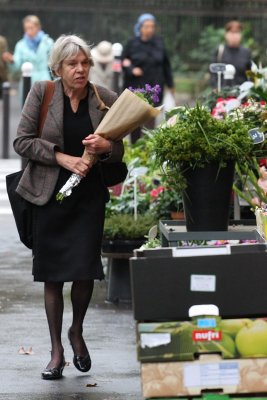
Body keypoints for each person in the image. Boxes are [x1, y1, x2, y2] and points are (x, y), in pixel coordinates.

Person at [13, 34, 124, 380]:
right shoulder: (42, 94)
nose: (80, 69)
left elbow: (120, 150)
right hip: (49, 197)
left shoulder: (103, 98)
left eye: (85, 63)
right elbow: (22, 141)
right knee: (52, 274)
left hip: (88, 198)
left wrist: (106, 146)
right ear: (57, 67)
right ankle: (56, 350)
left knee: (84, 270)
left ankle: (76, 330)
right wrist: (61, 157)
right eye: (73, 64)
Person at [121, 13, 174, 142]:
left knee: (151, 117)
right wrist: (132, 69)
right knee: (135, 118)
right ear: (140, 27)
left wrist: (171, 84)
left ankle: (147, 147)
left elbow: (166, 64)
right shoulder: (132, 43)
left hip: (155, 87)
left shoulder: (159, 43)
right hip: (136, 87)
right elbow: (123, 61)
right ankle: (135, 146)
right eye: (147, 26)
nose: (150, 29)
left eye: (152, 26)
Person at [2, 15, 54, 84]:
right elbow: (16, 67)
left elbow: (54, 63)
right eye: (26, 29)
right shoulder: (20, 45)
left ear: (38, 27)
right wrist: (11, 60)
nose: (29, 31)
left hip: (45, 81)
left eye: (31, 28)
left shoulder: (48, 42)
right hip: (27, 83)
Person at [211, 20, 252, 88]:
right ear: (226, 34)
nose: (234, 35)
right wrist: (216, 89)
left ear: (241, 35)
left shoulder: (246, 52)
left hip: (242, 92)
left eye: (237, 32)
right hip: (223, 93)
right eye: (232, 32)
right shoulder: (220, 51)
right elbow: (213, 74)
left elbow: (250, 74)